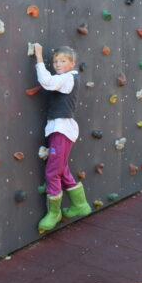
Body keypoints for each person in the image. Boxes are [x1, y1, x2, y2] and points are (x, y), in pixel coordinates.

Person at [33, 43, 91, 233]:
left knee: (52, 172)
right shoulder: (68, 77)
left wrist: (39, 57)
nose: (58, 64)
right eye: (55, 61)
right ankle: (80, 205)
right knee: (61, 169)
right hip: (59, 129)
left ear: (72, 63)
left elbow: (47, 82)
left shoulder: (67, 78)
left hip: (62, 129)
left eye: (62, 61)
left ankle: (54, 213)